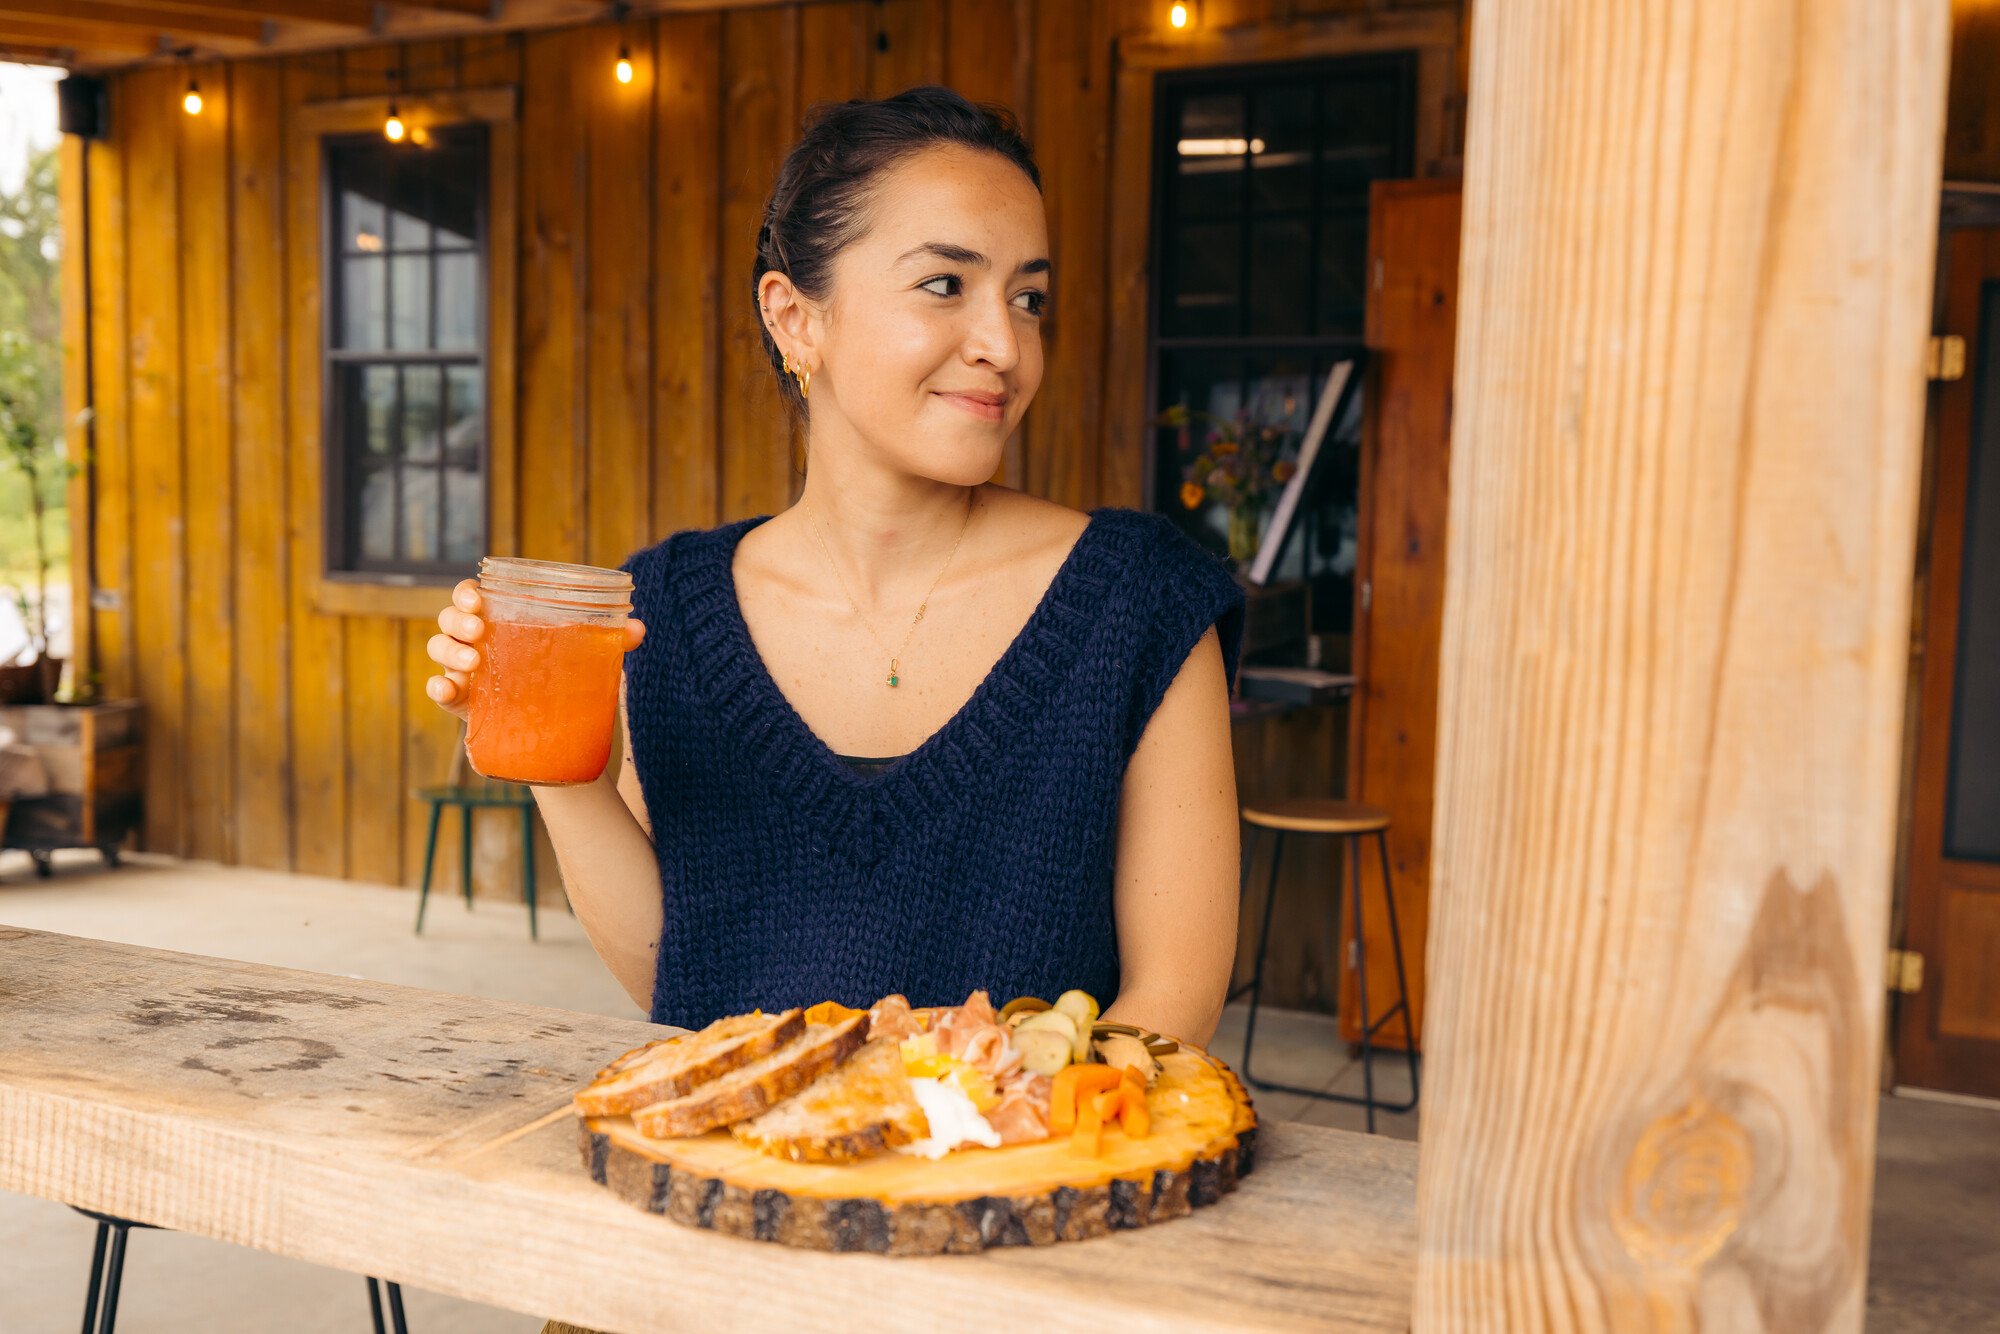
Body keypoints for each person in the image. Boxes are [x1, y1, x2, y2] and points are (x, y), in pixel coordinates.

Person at [426, 86, 1243, 1052]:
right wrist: (554, 765)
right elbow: (687, 971)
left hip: (1018, 1186)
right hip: (749, 1177)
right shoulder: (675, 610)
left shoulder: (1139, 600)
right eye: (946, 284)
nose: (1005, 346)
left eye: (1028, 298)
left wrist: (945, 1157)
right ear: (794, 319)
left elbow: (1174, 1004)